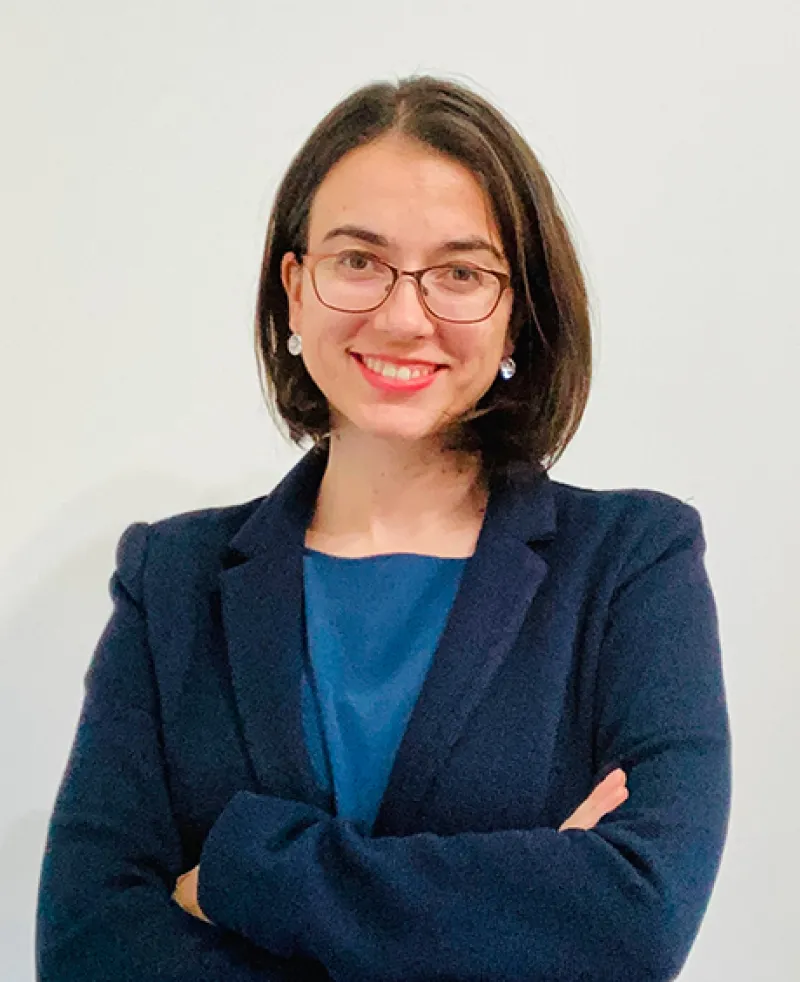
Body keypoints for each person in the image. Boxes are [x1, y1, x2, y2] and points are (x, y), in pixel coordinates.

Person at [35, 76, 730, 982]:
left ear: (518, 307)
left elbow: (633, 923)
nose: (404, 316)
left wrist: (242, 870)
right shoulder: (171, 577)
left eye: (462, 273)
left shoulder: (634, 564)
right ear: (294, 289)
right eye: (357, 260)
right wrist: (515, 915)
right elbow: (87, 946)